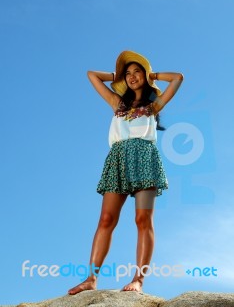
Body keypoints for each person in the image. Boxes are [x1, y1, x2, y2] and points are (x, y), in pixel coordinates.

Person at [68, 50, 183, 295]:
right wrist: (117, 75)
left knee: (142, 220)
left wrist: (152, 74)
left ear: (145, 74)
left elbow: (178, 78)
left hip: (144, 158)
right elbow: (92, 75)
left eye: (136, 71)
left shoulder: (154, 106)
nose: (132, 77)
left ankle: (138, 280)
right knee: (106, 219)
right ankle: (90, 278)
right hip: (118, 159)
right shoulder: (117, 103)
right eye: (128, 73)